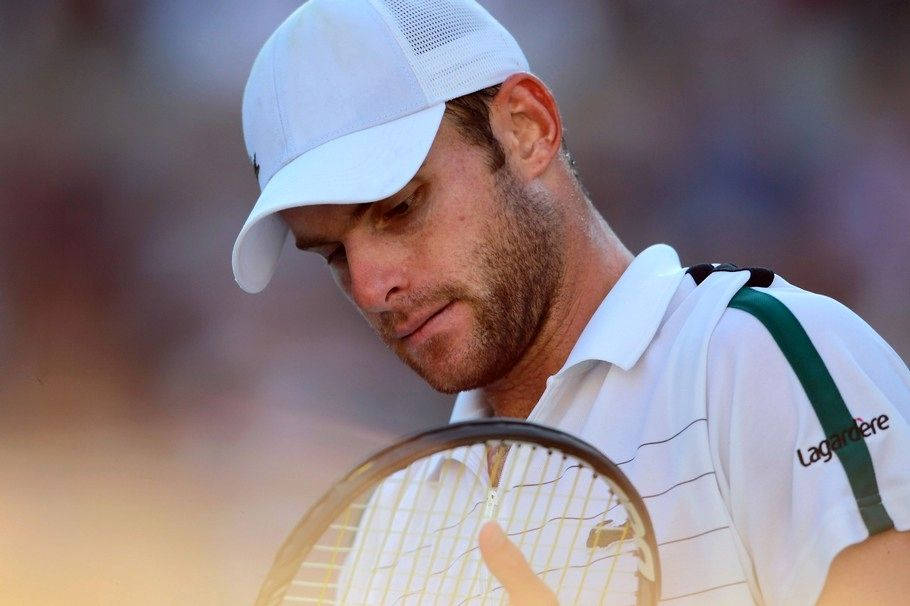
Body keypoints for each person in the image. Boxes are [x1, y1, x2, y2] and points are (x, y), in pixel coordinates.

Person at [232, 1, 910, 604]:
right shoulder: (394, 515)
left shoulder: (768, 358)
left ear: (527, 128)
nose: (371, 286)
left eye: (401, 207)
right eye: (333, 255)